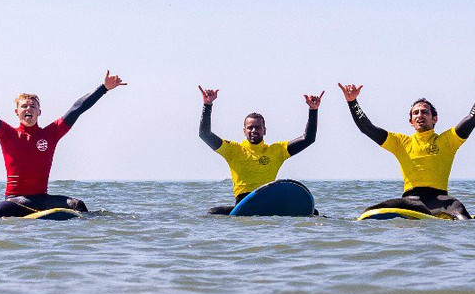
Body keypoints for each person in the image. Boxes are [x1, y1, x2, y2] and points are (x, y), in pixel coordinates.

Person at [0, 67, 125, 217]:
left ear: (39, 112)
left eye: (33, 106)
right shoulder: (6, 134)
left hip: (43, 198)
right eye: (24, 106)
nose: (28, 109)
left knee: (78, 205)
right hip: (16, 200)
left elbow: (76, 109)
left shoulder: (51, 133)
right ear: (17, 112)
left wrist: (104, 88)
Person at [338, 83, 475, 219]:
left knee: (460, 212)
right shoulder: (401, 143)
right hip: (411, 201)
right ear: (411, 121)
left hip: (440, 201)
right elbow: (367, 128)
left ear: (434, 119)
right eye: (415, 113)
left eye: (424, 112)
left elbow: (472, 117)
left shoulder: (448, 140)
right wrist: (352, 102)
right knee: (369, 213)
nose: (419, 115)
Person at [198, 86, 322, 214]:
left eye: (258, 127)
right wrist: (207, 105)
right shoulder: (232, 150)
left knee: (314, 212)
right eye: (250, 127)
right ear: (244, 131)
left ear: (264, 130)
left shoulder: (277, 150)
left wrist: (313, 110)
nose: (254, 131)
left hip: (269, 202)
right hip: (243, 204)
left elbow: (308, 139)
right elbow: (205, 134)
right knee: (213, 212)